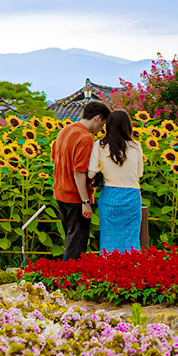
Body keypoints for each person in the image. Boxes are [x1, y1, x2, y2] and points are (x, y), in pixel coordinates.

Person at [50, 100, 108, 261]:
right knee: (77, 245)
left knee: (70, 239)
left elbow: (54, 159)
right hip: (76, 196)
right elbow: (79, 172)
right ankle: (68, 281)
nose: (101, 130)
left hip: (60, 193)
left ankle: (65, 278)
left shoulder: (65, 131)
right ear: (97, 118)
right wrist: (86, 202)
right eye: (102, 124)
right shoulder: (85, 138)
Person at [88, 109, 146, 253]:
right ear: (128, 126)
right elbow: (139, 173)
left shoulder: (99, 145)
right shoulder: (136, 146)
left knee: (109, 240)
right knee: (131, 240)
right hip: (132, 196)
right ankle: (130, 271)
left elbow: (90, 174)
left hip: (110, 196)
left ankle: (108, 270)